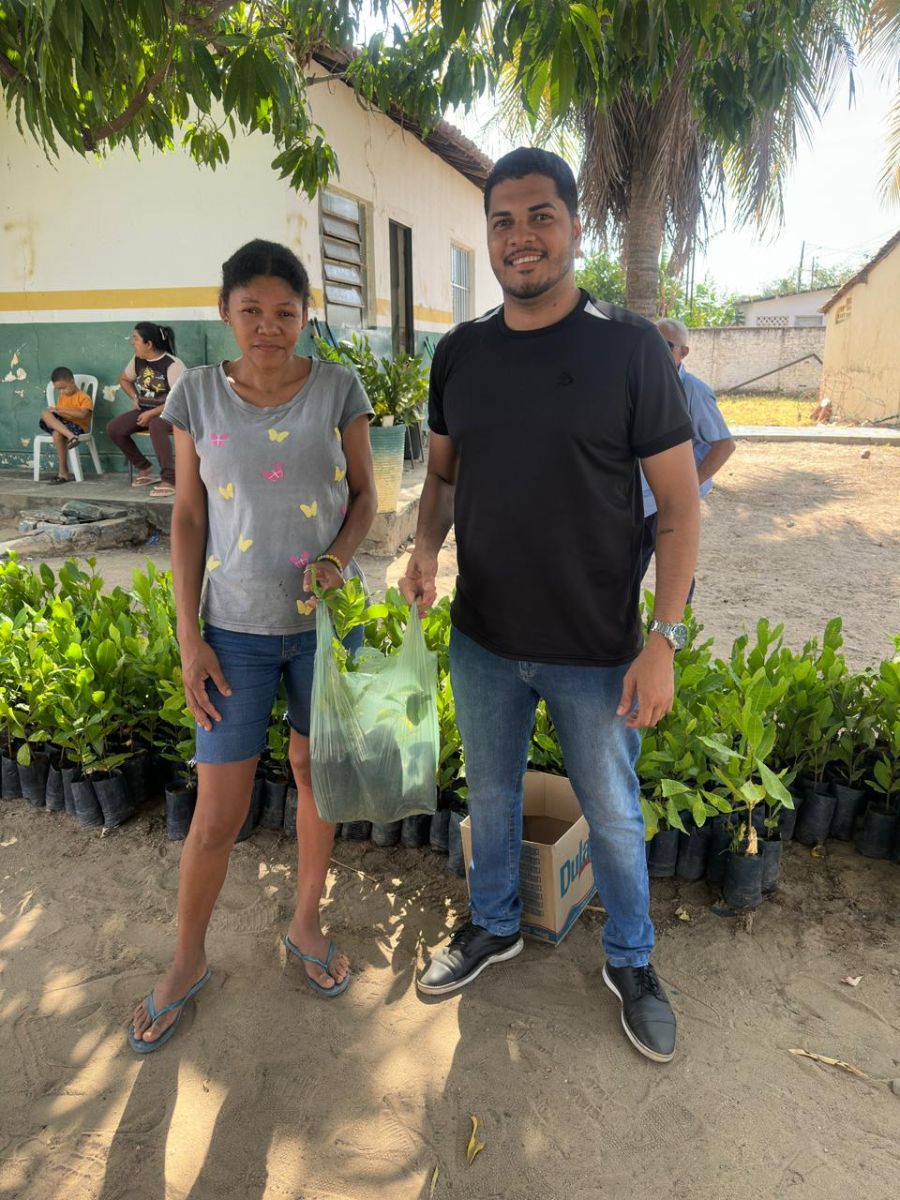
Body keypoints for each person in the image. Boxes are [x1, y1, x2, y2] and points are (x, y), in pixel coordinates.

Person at [399, 148, 700, 1063]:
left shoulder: (630, 349)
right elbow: (442, 476)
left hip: (595, 647)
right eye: (503, 220)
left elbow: (679, 507)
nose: (520, 237)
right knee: (490, 799)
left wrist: (664, 639)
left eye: (540, 216)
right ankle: (493, 924)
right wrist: (424, 547)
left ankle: (632, 961)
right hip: (484, 638)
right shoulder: (459, 353)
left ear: (575, 226)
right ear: (487, 235)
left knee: (613, 813)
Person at [128, 239, 377, 1053]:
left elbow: (366, 496)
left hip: (323, 628)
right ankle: (187, 959)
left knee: (313, 776)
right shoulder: (197, 393)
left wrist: (337, 559)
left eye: (285, 312)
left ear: (305, 316)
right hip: (232, 633)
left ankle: (305, 924)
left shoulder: (338, 387)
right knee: (217, 813)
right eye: (251, 311)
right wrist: (189, 636)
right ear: (225, 312)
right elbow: (189, 515)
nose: (269, 326)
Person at [640, 318, 735, 601]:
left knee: (676, 576)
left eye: (665, 346)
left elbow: (724, 445)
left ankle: (676, 629)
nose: (656, 351)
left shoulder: (693, 390)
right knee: (629, 569)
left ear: (684, 352)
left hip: (672, 502)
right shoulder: (642, 384)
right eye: (651, 344)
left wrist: (688, 489)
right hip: (641, 500)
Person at [107, 322, 185, 497]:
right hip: (146, 411)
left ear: (148, 344)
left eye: (135, 339)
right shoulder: (138, 359)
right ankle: (144, 468)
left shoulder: (173, 365)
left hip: (174, 413)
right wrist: (135, 397)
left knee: (156, 425)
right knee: (114, 428)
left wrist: (152, 413)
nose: (132, 342)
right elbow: (124, 379)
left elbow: (179, 399)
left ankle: (170, 479)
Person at [38, 366, 94, 484]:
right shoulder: (62, 396)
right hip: (64, 426)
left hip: (77, 426)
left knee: (57, 434)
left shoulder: (84, 397)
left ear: (72, 381)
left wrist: (59, 411)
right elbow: (59, 415)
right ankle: (70, 436)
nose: (62, 392)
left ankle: (63, 473)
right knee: (45, 413)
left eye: (64, 388)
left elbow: (83, 414)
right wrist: (55, 412)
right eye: (59, 390)